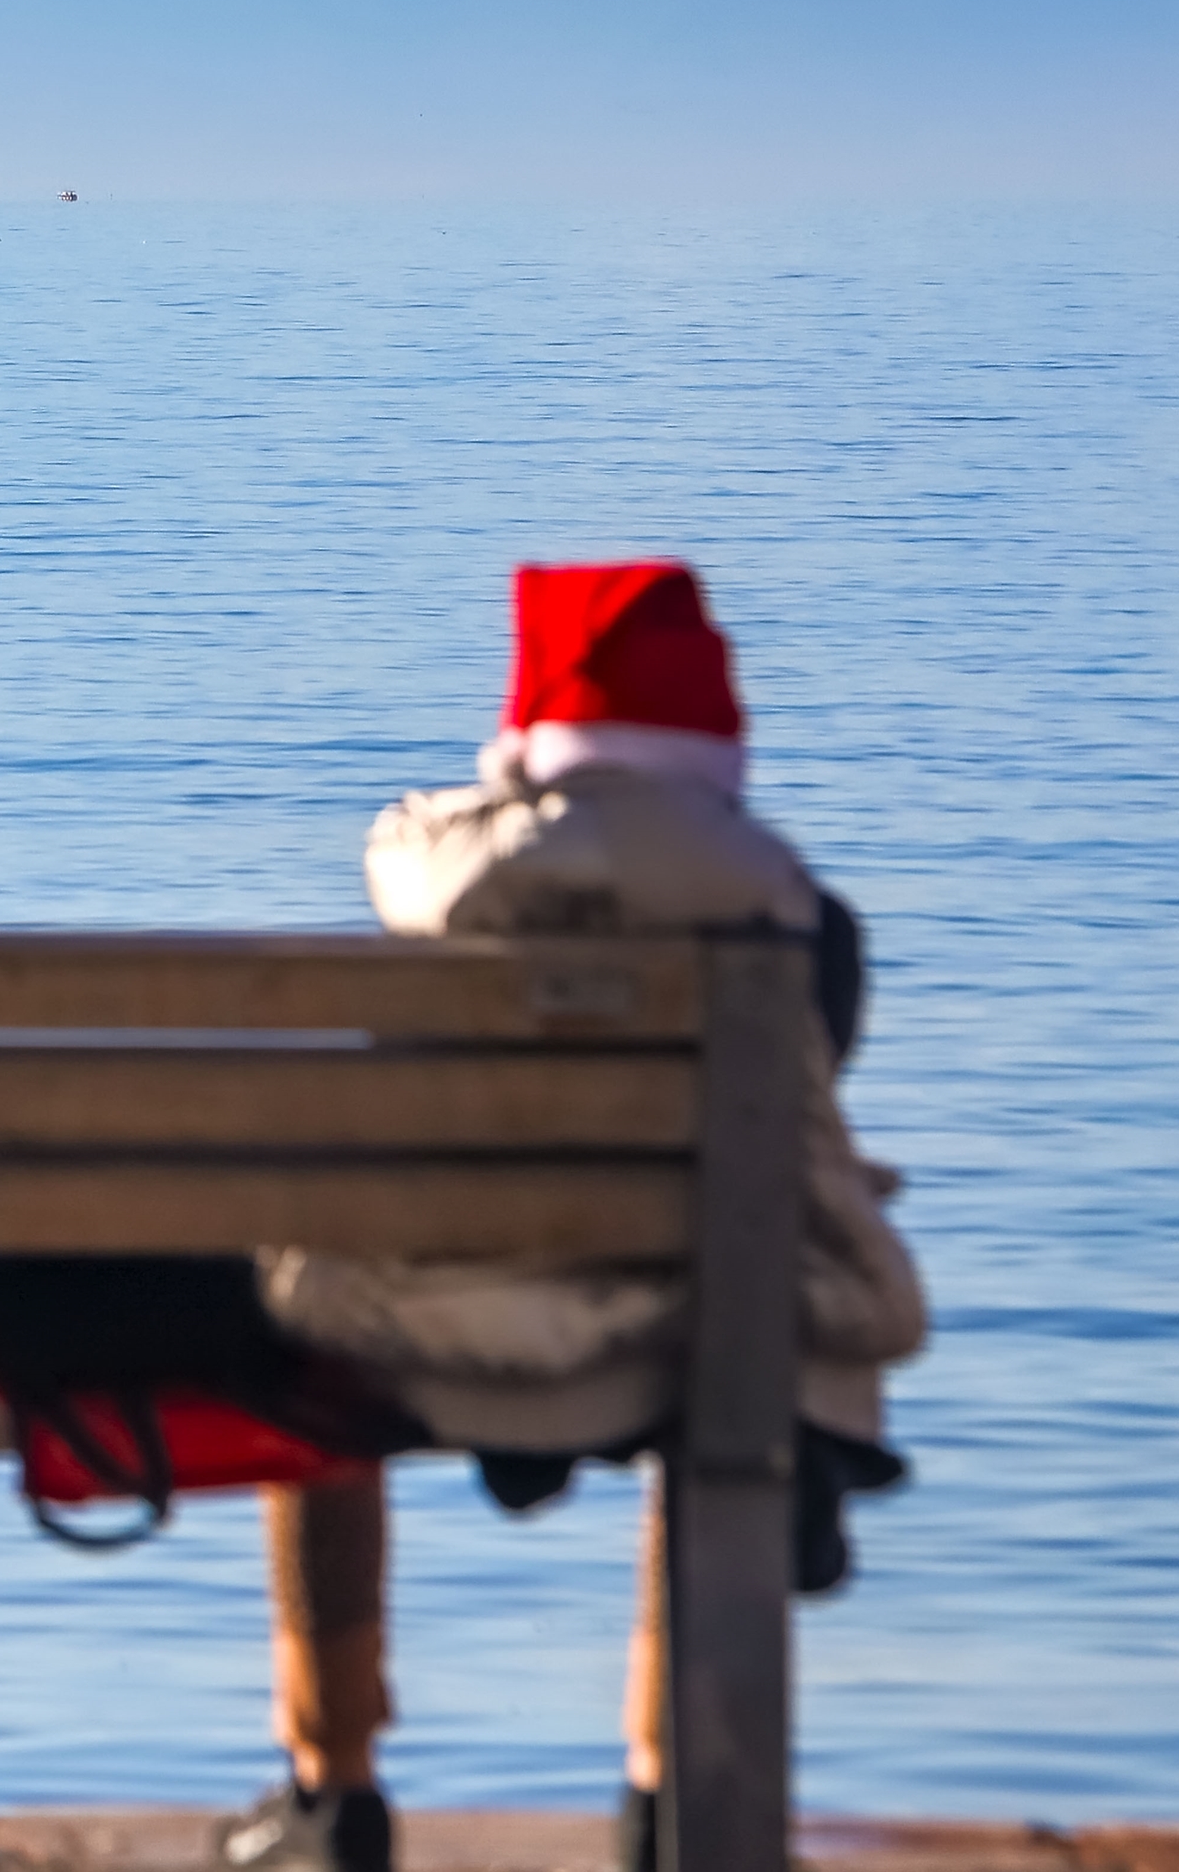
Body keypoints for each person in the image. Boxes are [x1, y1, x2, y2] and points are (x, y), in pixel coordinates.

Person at [223, 564, 927, 1872]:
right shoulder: (798, 927)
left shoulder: (426, 899)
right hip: (684, 1336)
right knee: (729, 1326)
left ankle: (332, 1793)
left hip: (410, 1332)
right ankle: (670, 1800)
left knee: (304, 1323)